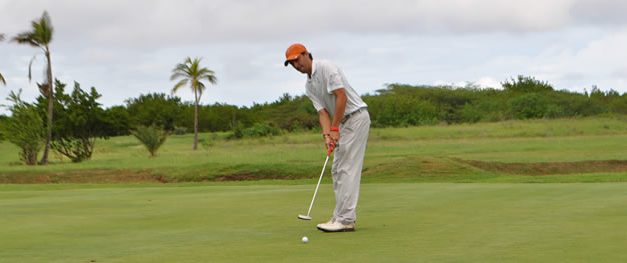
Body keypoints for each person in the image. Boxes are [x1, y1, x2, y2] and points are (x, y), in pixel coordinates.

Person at [284, 43, 370, 232]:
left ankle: (346, 219)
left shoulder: (326, 67)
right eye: (292, 64)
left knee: (346, 169)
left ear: (306, 55)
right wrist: (327, 135)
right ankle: (339, 216)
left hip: (356, 118)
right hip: (342, 123)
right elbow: (322, 112)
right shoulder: (309, 86)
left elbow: (341, 97)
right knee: (337, 170)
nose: (296, 66)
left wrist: (335, 128)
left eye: (297, 60)